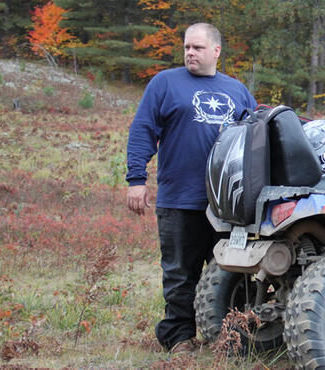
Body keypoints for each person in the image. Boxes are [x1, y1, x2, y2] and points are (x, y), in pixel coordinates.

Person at [125, 22, 257, 353]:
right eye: (186, 47)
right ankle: (180, 337)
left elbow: (256, 139)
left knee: (230, 272)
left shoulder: (237, 90)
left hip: (227, 203)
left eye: (197, 47)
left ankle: (229, 337)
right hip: (179, 198)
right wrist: (136, 180)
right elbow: (143, 129)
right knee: (180, 274)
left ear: (216, 51)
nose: (189, 53)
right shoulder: (164, 84)